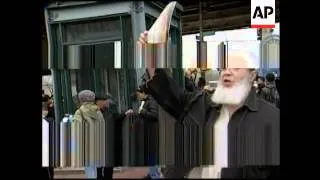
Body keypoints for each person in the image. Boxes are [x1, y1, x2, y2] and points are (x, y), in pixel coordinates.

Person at [137, 31, 280, 179]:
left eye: (236, 68)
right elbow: (170, 94)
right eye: (224, 68)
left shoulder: (272, 119)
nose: (227, 72)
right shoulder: (203, 104)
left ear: (252, 75)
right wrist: (151, 56)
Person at [73, 90, 106, 179]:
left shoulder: (79, 112)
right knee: (98, 170)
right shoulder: (98, 111)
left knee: (89, 170)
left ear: (81, 99)